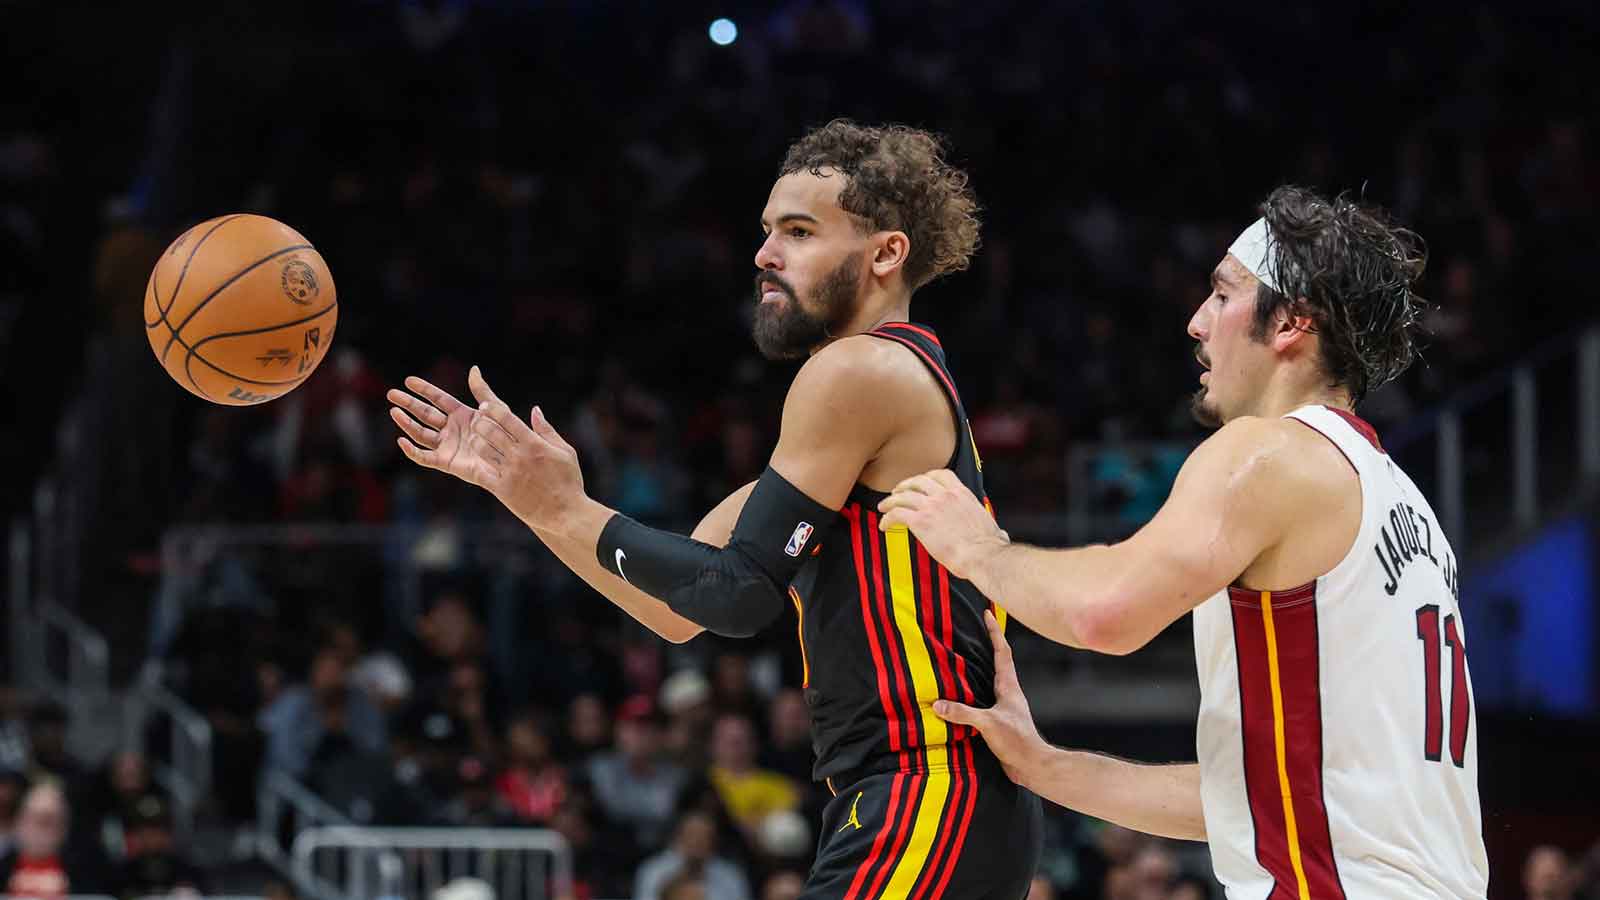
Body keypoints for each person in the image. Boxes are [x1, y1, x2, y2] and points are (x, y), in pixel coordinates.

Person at [389, 118, 1042, 897]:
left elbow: (735, 595)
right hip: (917, 800)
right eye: (767, 231)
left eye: (799, 232)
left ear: (886, 253)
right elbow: (676, 611)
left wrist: (565, 509)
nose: (764, 254)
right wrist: (538, 505)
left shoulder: (861, 370)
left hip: (929, 788)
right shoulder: (861, 408)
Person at [879, 186, 1488, 899]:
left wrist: (977, 548)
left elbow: (1106, 612)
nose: (1198, 323)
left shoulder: (1268, 453)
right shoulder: (1402, 503)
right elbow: (1254, 804)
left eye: (1223, 295)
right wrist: (1046, 767)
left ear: (1291, 321)